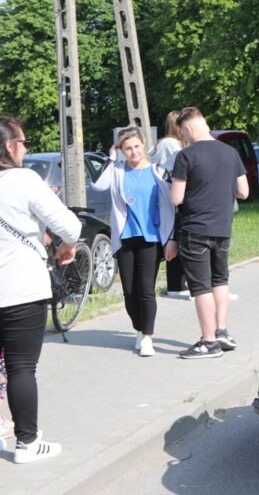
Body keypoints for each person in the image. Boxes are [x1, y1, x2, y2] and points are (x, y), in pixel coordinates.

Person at [0, 115, 81, 462]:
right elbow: (70, 227)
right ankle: (27, 443)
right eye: (24, 143)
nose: (25, 149)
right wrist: (66, 247)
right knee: (21, 367)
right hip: (21, 289)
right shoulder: (23, 180)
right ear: (9, 146)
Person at [169, 107, 249, 359]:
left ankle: (209, 342)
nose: (184, 138)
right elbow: (244, 192)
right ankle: (221, 330)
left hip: (195, 229)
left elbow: (176, 198)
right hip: (222, 228)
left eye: (183, 133)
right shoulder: (230, 152)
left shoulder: (186, 155)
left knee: (201, 287)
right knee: (220, 279)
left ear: (188, 128)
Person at [92, 127, 177, 356]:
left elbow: (171, 206)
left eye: (137, 146)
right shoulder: (117, 170)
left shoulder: (158, 171)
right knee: (129, 291)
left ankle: (148, 336)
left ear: (143, 144)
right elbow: (98, 185)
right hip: (125, 238)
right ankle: (139, 328)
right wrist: (111, 158)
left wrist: (171, 238)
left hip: (152, 237)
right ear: (121, 150)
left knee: (146, 288)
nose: (133, 152)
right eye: (127, 148)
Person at [151, 110, 188, 298]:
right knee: (173, 239)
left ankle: (178, 284)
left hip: (169, 196)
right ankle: (175, 286)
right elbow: (176, 169)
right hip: (169, 196)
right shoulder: (171, 145)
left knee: (174, 239)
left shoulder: (164, 143)